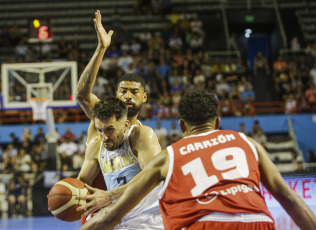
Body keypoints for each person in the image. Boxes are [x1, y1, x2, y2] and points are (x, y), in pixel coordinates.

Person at [77, 90, 316, 230]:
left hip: (206, 224)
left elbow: (115, 213)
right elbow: (289, 197)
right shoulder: (246, 142)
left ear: (182, 126)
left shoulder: (170, 155)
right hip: (257, 221)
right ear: (218, 123)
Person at [75, 10, 163, 227]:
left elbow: (154, 177)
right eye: (123, 91)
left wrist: (110, 196)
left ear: (144, 97)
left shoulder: (143, 134)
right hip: (110, 210)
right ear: (116, 95)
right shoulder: (103, 119)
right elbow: (81, 95)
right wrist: (101, 48)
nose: (127, 96)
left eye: (134, 92)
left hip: (141, 215)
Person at [77, 96, 163, 228]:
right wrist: (67, 197)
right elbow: (82, 181)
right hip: (119, 217)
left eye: (109, 129)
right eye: (99, 130)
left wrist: (109, 196)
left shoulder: (140, 135)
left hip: (149, 218)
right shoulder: (96, 145)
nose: (104, 137)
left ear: (125, 125)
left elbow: (152, 177)